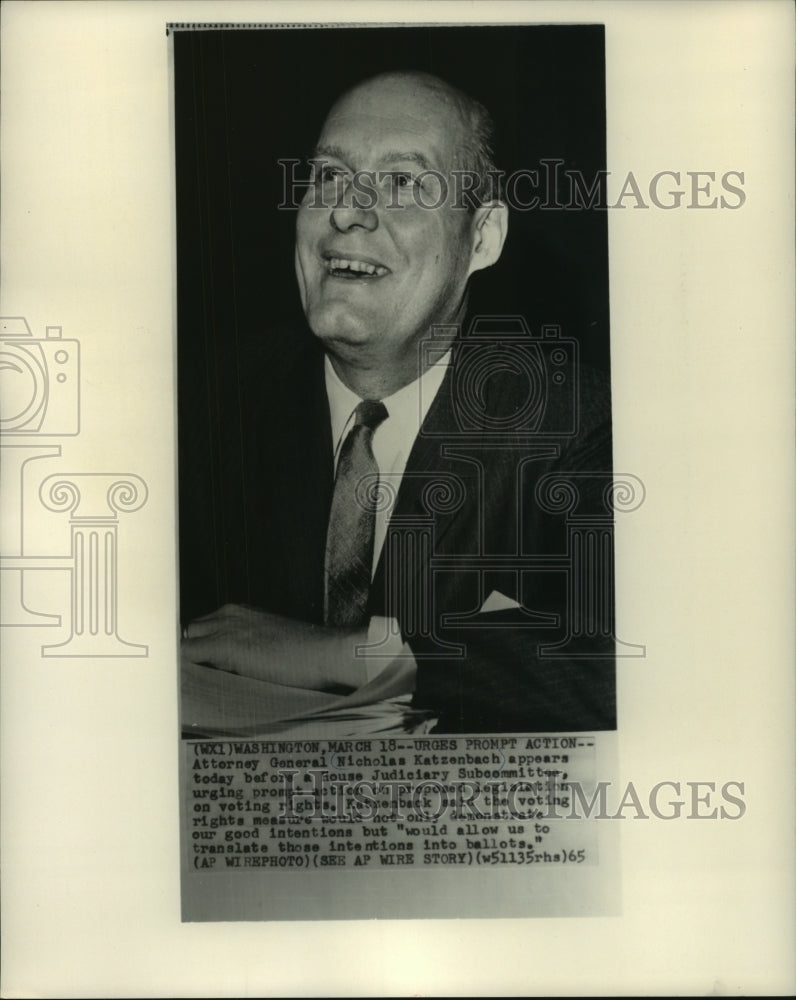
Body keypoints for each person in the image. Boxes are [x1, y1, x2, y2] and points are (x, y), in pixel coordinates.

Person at [180, 70, 616, 734]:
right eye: (327, 177)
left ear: (483, 237)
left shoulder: (574, 423)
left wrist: (360, 653)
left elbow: (634, 667)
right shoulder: (203, 406)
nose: (347, 211)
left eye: (403, 183)